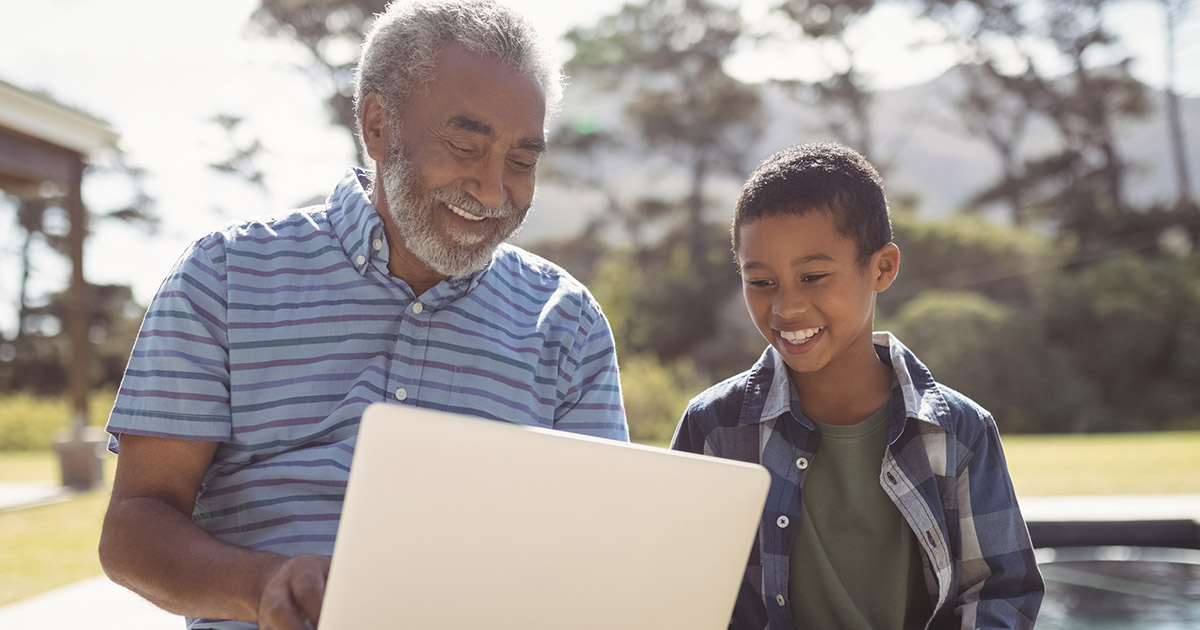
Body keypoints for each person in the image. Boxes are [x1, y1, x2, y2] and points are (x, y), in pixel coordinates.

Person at [98, 2, 628, 629]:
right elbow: (135, 524)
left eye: (522, 160)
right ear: (378, 125)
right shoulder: (224, 277)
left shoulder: (568, 325)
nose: (493, 190)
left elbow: (599, 552)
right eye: (465, 145)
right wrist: (263, 587)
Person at [671, 142, 1043, 630]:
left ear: (882, 267)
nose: (786, 308)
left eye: (813, 276)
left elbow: (1000, 592)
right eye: (761, 282)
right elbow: (680, 590)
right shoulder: (713, 428)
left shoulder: (959, 433)